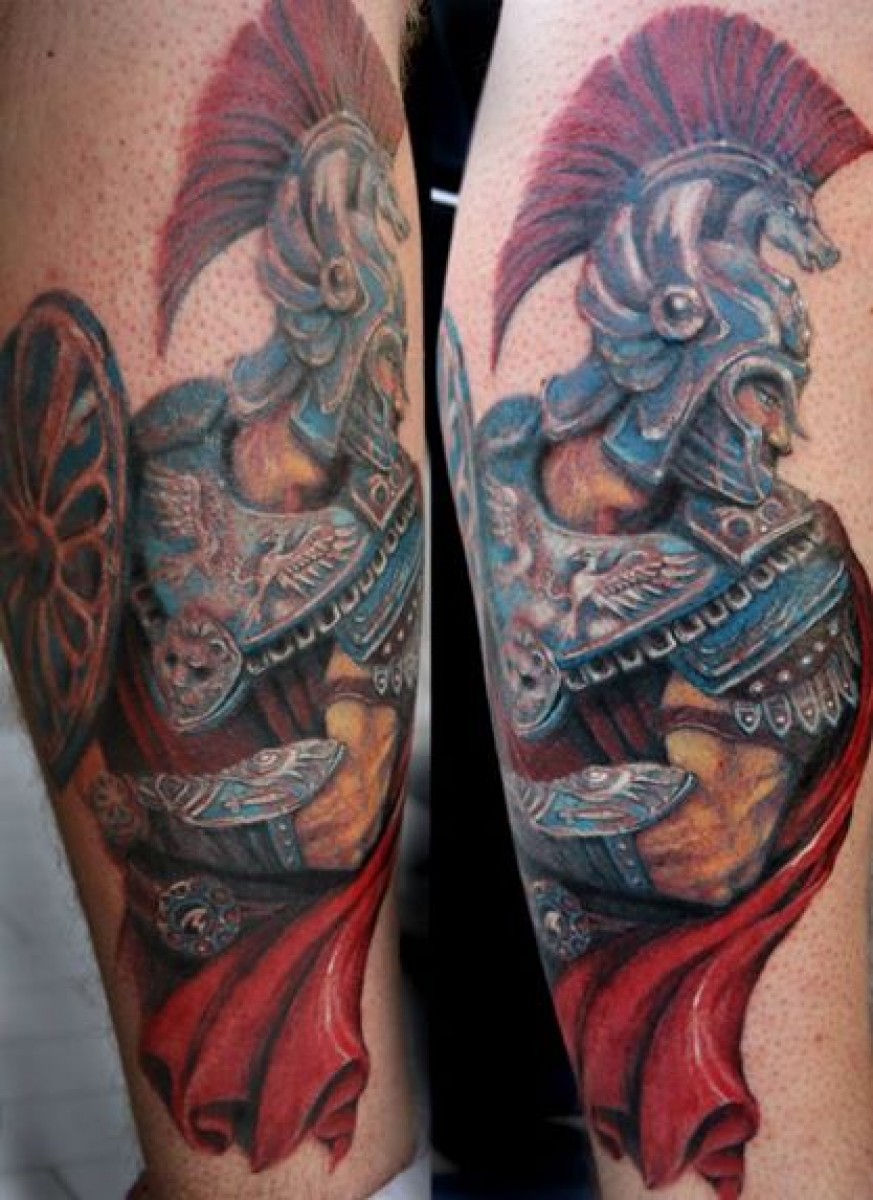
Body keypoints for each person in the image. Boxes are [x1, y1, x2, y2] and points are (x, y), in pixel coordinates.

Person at [440, 3, 873, 1197]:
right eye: (761, 383)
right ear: (678, 327)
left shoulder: (782, 563)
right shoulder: (517, 449)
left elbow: (711, 843)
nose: (782, 427)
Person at [0, 1, 424, 1197]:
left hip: (279, 1002)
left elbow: (340, 810)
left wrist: (171, 806)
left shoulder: (374, 511)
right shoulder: (178, 429)